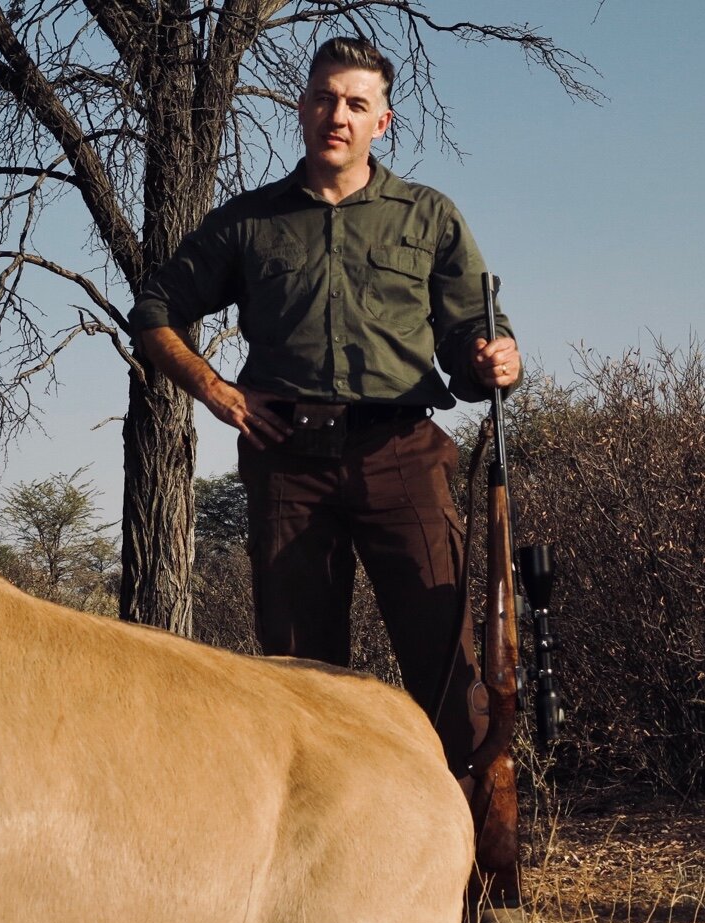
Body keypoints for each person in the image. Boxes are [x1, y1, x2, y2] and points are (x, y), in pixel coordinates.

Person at [128, 36, 521, 792]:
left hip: (402, 453)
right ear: (303, 107)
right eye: (322, 98)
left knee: (447, 666)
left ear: (384, 121)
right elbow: (154, 312)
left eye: (355, 103)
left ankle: (477, 877)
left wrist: (497, 359)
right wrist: (217, 390)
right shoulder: (247, 222)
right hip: (287, 461)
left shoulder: (428, 215)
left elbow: (475, 334)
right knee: (300, 676)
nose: (335, 115)